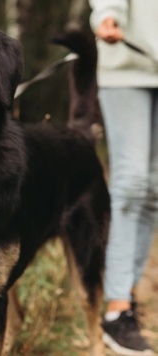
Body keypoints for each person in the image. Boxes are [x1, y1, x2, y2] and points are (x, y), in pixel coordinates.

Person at [89, 1, 158, 355]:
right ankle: (117, 308)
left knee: (154, 189)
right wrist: (107, 14)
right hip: (128, 61)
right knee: (131, 184)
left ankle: (126, 293)